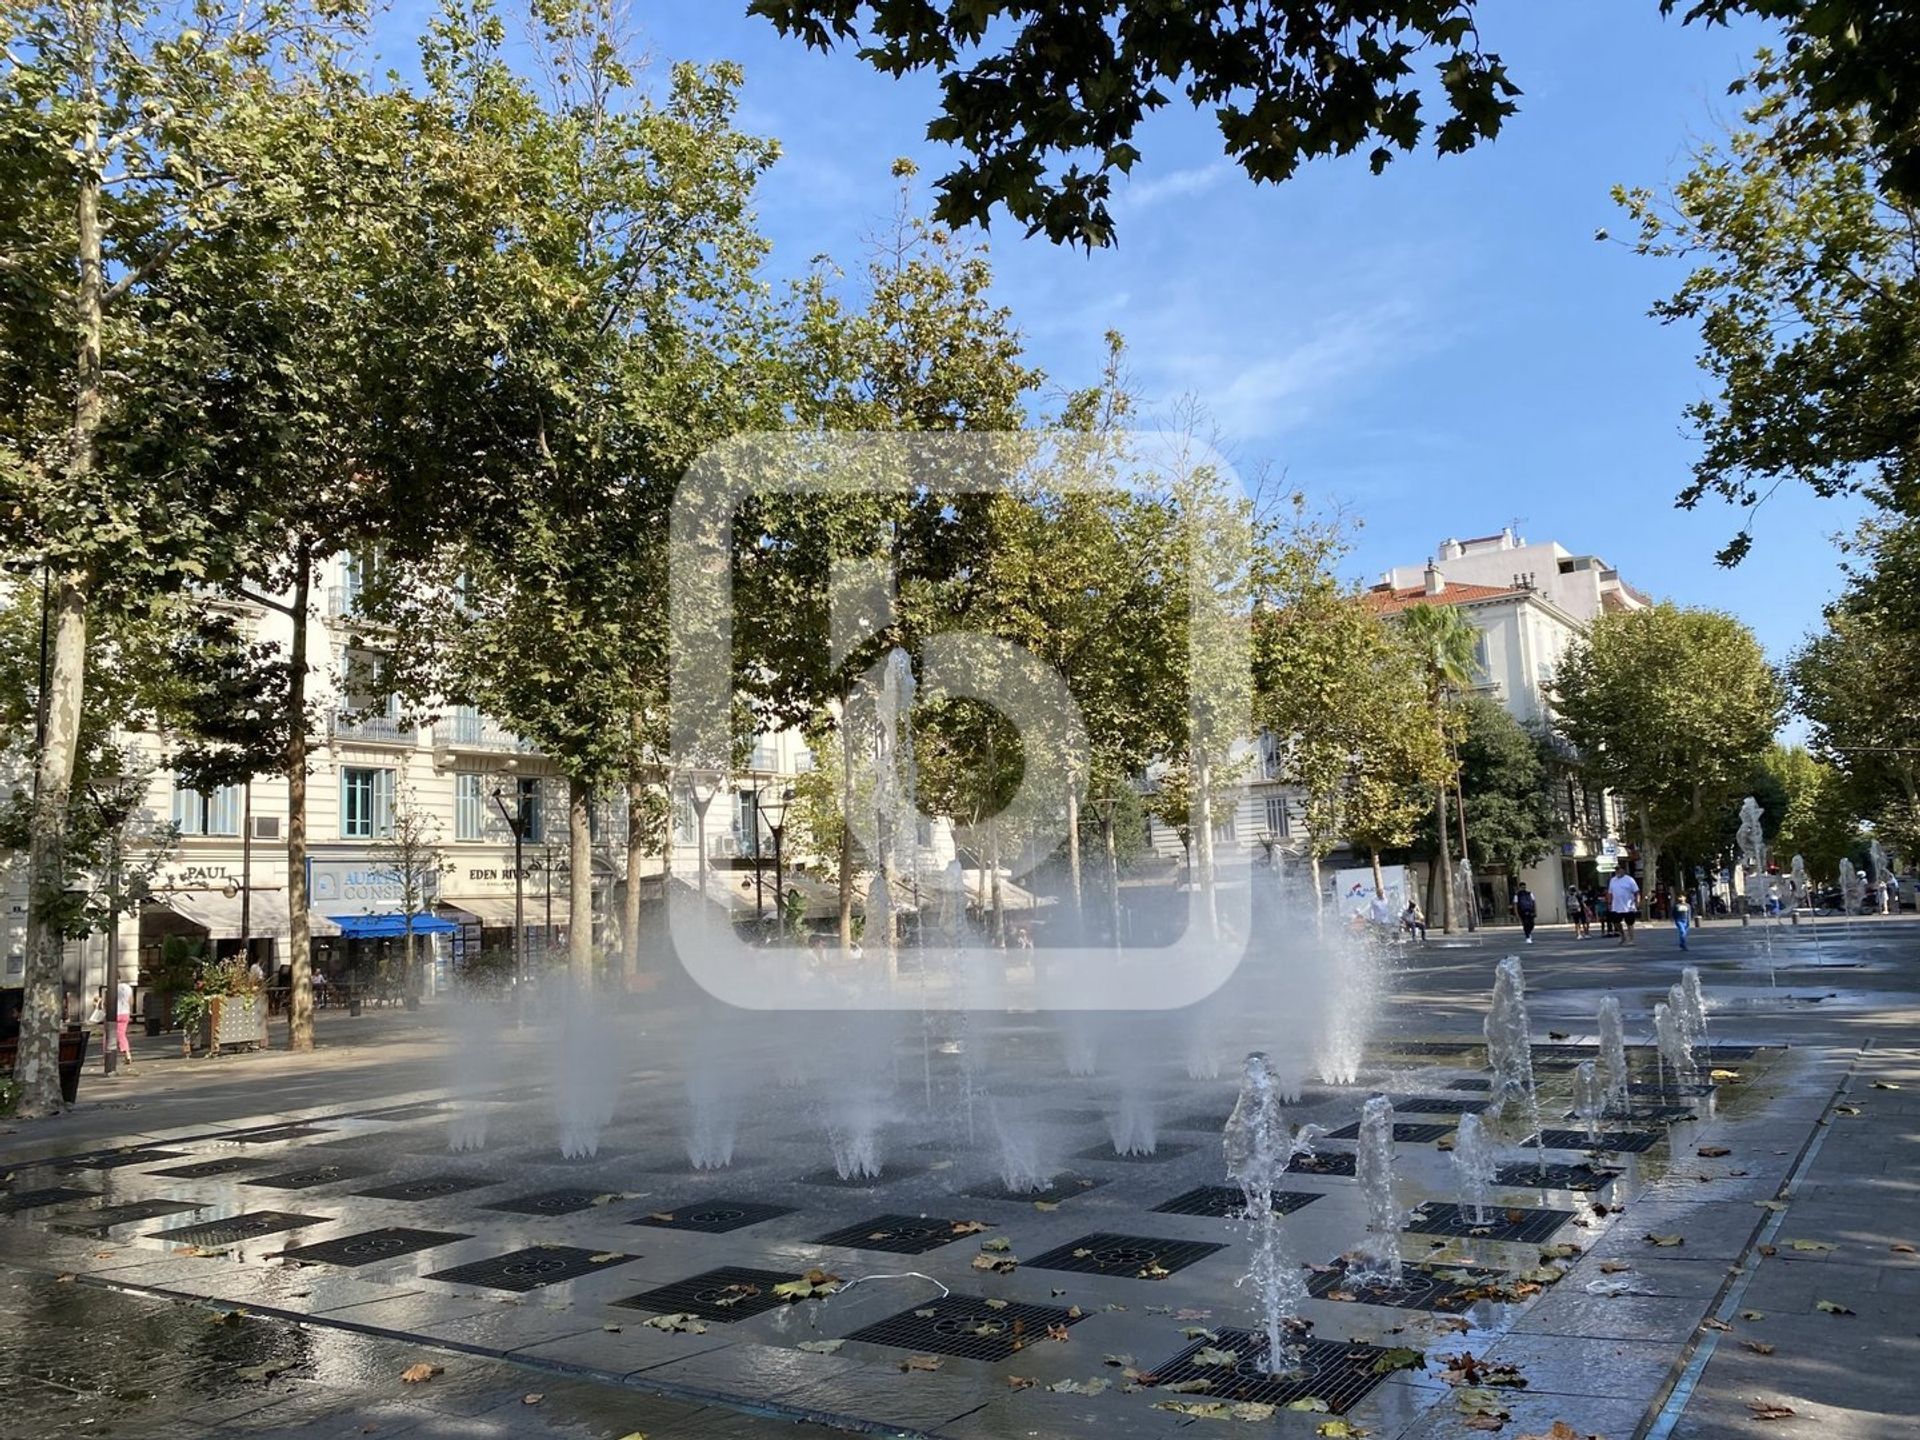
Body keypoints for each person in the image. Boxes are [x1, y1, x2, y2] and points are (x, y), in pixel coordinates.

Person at [1607, 867, 1642, 947]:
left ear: (1623, 870)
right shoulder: (1613, 880)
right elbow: (1610, 893)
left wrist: (1637, 902)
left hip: (1628, 906)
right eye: (1616, 870)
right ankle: (1623, 936)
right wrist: (1609, 903)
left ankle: (1631, 939)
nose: (1617, 871)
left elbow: (1637, 892)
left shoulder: (1630, 880)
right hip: (1616, 906)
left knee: (1629, 923)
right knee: (1616, 922)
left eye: (1619, 870)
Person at [113, 975, 135, 1072]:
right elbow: (131, 1001)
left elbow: (106, 1003)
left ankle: (106, 1056)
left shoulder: (111, 988)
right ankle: (127, 1053)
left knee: (108, 1035)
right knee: (122, 1034)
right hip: (125, 1013)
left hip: (114, 1014)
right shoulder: (128, 987)